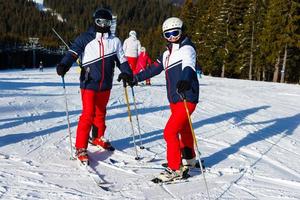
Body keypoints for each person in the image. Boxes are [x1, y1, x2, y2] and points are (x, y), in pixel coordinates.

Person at [56, 8, 133, 164]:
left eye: (107, 23)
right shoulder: (85, 38)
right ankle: (80, 147)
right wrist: (64, 65)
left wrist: (126, 73)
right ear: (95, 22)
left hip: (106, 84)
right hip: (89, 82)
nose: (103, 25)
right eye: (100, 22)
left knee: (100, 112)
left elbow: (122, 60)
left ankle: (97, 137)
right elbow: (72, 53)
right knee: (88, 114)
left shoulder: (115, 41)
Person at [129, 17, 199, 182]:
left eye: (176, 33)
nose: (172, 37)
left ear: (182, 31)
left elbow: (189, 66)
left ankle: (175, 169)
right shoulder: (167, 54)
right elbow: (153, 69)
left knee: (170, 132)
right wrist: (135, 78)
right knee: (184, 128)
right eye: (168, 34)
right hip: (174, 98)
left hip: (186, 96)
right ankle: (189, 160)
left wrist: (185, 80)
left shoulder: (187, 49)